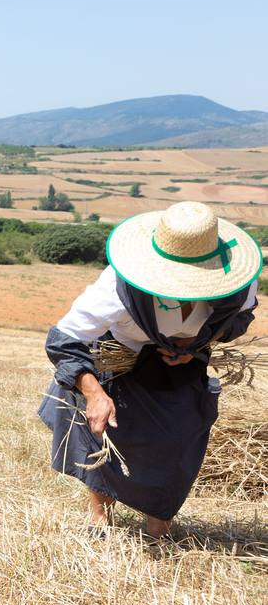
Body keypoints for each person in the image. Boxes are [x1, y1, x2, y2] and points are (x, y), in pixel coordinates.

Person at [39, 202, 261, 539]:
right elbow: (64, 340)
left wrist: (198, 345)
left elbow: (239, 318)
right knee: (104, 435)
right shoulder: (118, 287)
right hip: (119, 359)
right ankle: (100, 516)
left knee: (178, 439)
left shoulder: (237, 282)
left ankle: (159, 526)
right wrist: (94, 393)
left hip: (182, 367)